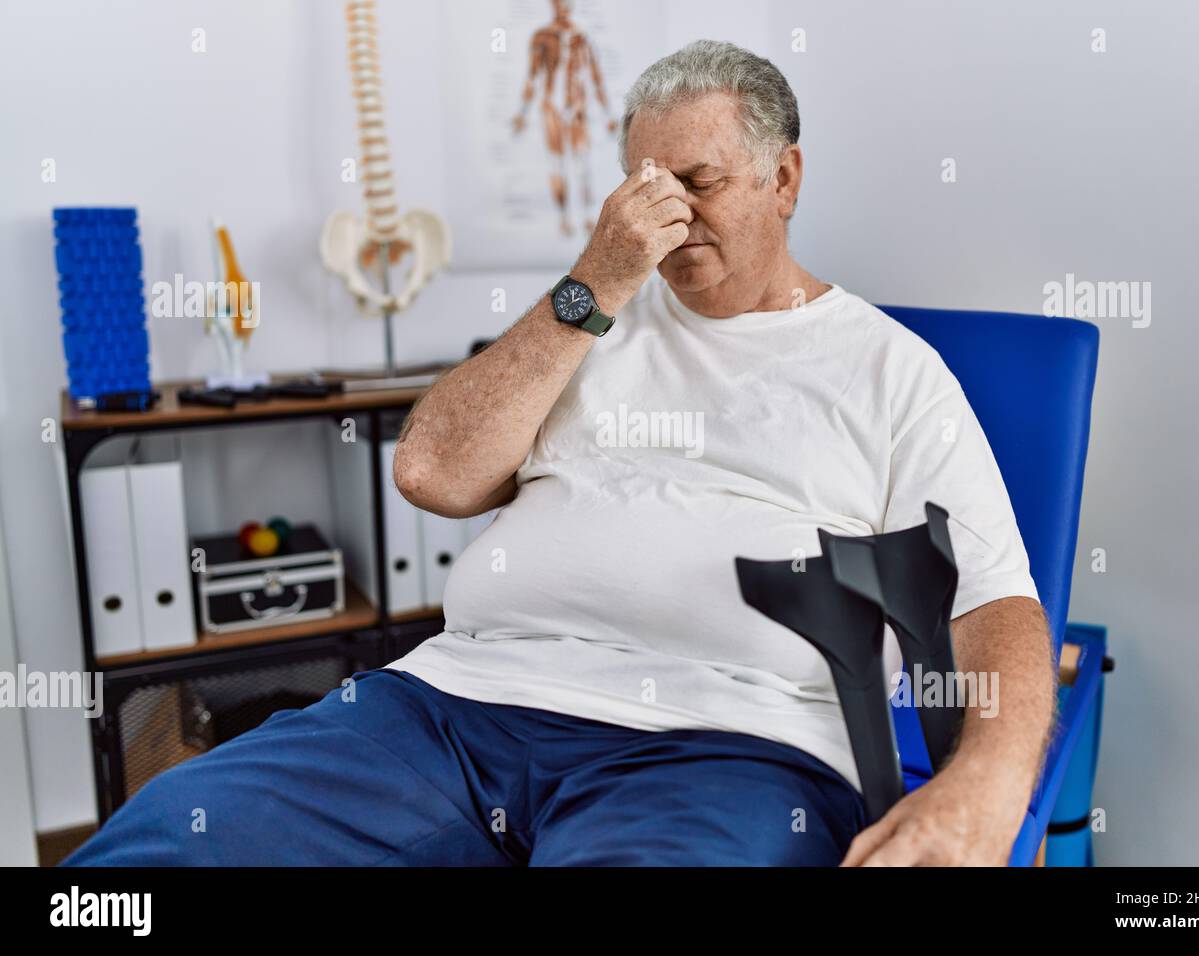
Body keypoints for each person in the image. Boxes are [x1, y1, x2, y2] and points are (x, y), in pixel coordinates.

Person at [68, 40, 1054, 868]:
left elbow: (993, 605)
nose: (669, 218)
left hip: (728, 747)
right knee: (151, 851)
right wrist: (590, 283)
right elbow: (429, 471)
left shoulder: (891, 372)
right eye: (648, 188)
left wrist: (983, 788)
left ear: (782, 177)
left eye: (699, 184)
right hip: (449, 711)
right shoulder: (586, 323)